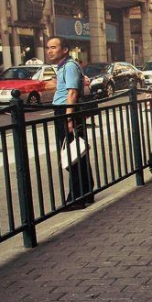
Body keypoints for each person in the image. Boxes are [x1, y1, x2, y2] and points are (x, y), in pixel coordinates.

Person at [45, 36, 94, 208]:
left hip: (68, 112)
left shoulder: (70, 66)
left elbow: (72, 93)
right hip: (67, 112)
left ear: (64, 50)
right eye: (48, 47)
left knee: (72, 156)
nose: (49, 50)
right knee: (77, 153)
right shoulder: (64, 67)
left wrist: (68, 118)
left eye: (53, 47)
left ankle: (77, 198)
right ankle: (86, 193)